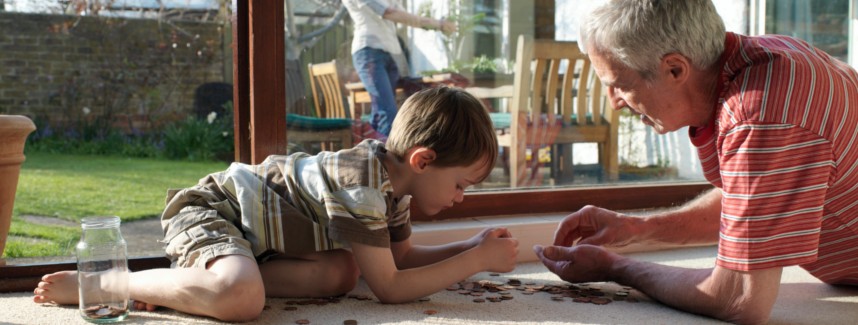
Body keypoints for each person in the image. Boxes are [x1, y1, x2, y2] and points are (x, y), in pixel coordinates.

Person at [33, 86, 519, 322]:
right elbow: (392, 288)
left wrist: (470, 244)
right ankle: (107, 283)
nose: (461, 197)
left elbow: (402, 260)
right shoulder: (362, 185)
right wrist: (475, 261)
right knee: (241, 300)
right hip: (214, 211)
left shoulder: (395, 190)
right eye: (461, 184)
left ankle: (192, 285)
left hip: (258, 240)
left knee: (343, 273)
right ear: (423, 159)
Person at [534, 1, 858, 324]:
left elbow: (739, 299)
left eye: (620, 85)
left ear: (675, 68)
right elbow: (753, 202)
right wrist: (635, 228)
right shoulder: (763, 59)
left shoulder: (761, 116)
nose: (614, 103)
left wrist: (616, 268)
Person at [342, 0, 456, 137]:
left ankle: (372, 152)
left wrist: (436, 23)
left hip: (391, 54)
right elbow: (389, 13)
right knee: (387, 111)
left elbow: (403, 14)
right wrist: (439, 24)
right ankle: (391, 155)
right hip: (369, 51)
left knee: (381, 111)